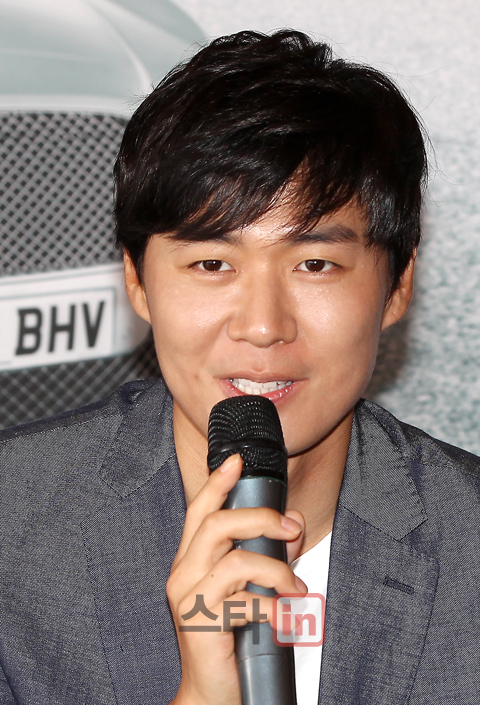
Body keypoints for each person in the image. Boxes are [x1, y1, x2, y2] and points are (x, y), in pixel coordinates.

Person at [0, 29, 479, 705]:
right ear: (137, 281)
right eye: (211, 263)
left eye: (315, 264)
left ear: (398, 285)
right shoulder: (13, 526)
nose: (262, 325)